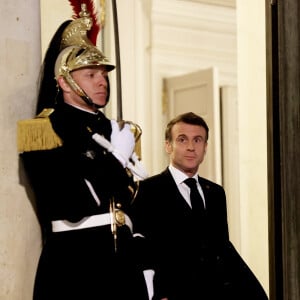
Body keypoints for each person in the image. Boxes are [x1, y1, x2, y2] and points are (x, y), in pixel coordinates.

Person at [17, 3, 149, 300]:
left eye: (103, 74)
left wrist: (148, 265)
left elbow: (134, 203)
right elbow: (72, 204)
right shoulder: (43, 130)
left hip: (125, 268)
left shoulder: (116, 130)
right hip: (76, 266)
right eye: (91, 74)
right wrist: (116, 158)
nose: (102, 81)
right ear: (64, 81)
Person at [131, 112, 269, 300]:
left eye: (197, 140)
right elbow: (142, 252)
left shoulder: (215, 193)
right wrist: (159, 294)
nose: (190, 147)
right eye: (182, 139)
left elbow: (223, 248)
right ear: (168, 145)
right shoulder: (146, 191)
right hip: (173, 293)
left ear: (205, 147)